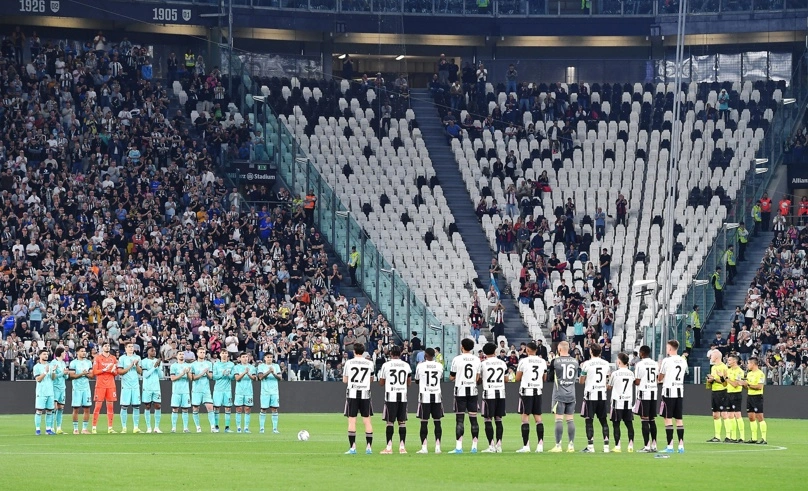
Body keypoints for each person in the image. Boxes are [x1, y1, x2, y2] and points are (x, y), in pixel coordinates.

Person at [449, 338, 481, 453]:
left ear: (462, 346)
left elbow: (452, 377)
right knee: (474, 419)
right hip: (473, 391)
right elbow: (478, 378)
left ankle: (458, 447)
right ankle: (474, 447)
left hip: (460, 391)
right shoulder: (477, 360)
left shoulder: (456, 359)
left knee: (460, 420)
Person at [378, 345, 412, 454]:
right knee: (402, 422)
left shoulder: (386, 365)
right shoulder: (406, 365)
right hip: (402, 395)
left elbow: (381, 383)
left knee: (390, 422)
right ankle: (402, 447)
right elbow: (409, 383)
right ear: (401, 353)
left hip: (390, 396)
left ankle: (389, 448)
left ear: (391, 354)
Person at [515, 341, 547, 453]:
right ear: (536, 350)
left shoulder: (523, 361)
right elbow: (544, 378)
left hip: (526, 392)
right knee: (538, 418)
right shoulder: (542, 361)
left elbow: (517, 378)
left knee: (525, 418)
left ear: (527, 350)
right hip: (537, 391)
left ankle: (526, 446)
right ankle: (540, 445)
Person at [343, 343, 375, 454]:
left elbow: (345, 380)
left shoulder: (349, 363)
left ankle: (353, 448)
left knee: (352, 420)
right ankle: (369, 447)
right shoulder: (369, 363)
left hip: (352, 393)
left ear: (354, 351)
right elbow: (371, 379)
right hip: (365, 393)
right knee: (367, 420)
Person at [579, 342, 611, 453]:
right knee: (603, 421)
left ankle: (590, 446)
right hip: (602, 394)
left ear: (591, 351)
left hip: (590, 395)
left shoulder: (587, 364)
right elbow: (608, 378)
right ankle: (606, 446)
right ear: (600, 352)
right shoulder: (606, 364)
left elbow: (581, 381)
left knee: (589, 420)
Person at [547, 341, 579, 453]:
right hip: (571, 393)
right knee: (570, 419)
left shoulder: (555, 361)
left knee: (559, 419)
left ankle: (558, 445)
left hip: (559, 393)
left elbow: (549, 378)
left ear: (559, 349)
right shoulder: (575, 361)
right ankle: (571, 445)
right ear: (568, 349)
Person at [658, 340, 687, 453]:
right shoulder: (683, 361)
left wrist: (659, 367)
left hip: (669, 392)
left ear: (670, 349)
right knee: (679, 419)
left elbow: (660, 378)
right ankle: (681, 446)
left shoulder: (667, 360)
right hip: (679, 391)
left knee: (668, 418)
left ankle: (670, 446)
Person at [414, 347, 444, 454]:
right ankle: (437, 447)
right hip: (436, 395)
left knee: (424, 422)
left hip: (425, 396)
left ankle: (424, 447)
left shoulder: (420, 366)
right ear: (434, 355)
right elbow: (440, 378)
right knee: (437, 422)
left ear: (425, 355)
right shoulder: (439, 366)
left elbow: (417, 380)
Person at [479, 342, 508, 453]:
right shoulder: (502, 363)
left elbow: (479, 379)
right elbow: (506, 379)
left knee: (487, 419)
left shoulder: (483, 364)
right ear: (495, 351)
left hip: (488, 393)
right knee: (498, 419)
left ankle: (491, 445)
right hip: (500, 393)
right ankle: (499, 445)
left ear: (485, 352)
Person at [633, 345, 659, 452]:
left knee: (644, 419)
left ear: (642, 353)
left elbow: (637, 381)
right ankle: (654, 445)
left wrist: (632, 380)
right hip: (653, 392)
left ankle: (646, 446)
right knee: (652, 420)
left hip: (644, 393)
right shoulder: (655, 363)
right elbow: (657, 378)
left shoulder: (640, 364)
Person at [608, 352, 635, 452]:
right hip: (627, 401)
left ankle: (618, 446)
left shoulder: (615, 373)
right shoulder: (631, 373)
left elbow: (609, 387)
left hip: (617, 401)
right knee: (629, 424)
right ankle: (630, 445)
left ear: (619, 361)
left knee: (616, 424)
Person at [92, 342, 118, 434]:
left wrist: (113, 371)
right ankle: (94, 427)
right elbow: (94, 371)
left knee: (110, 407)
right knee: (98, 406)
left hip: (111, 384)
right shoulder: (98, 358)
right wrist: (104, 369)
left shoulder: (113, 358)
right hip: (100, 385)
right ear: (102, 347)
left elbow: (116, 372)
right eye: (105, 346)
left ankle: (110, 428)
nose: (107, 347)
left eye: (108, 346)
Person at [118, 342, 142, 433]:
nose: (131, 348)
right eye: (129, 347)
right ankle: (124, 427)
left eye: (132, 346)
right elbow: (120, 372)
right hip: (126, 386)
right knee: (124, 406)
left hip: (135, 385)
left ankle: (136, 427)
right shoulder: (122, 358)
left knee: (136, 406)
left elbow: (140, 372)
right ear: (125, 349)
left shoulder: (138, 358)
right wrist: (131, 365)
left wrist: (136, 365)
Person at [705, 349, 729, 443]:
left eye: (712, 355)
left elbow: (725, 383)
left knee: (724, 414)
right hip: (714, 391)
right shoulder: (713, 367)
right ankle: (717, 436)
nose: (710, 357)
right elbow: (714, 379)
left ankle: (728, 436)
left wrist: (714, 378)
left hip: (722, 392)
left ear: (717, 357)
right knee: (715, 415)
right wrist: (710, 380)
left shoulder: (724, 367)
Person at [68, 346, 94, 434]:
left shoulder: (89, 363)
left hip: (86, 389)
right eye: (82, 351)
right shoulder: (73, 363)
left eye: (85, 351)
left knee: (87, 408)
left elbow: (91, 376)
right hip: (77, 389)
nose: (84, 352)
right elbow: (72, 376)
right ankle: (75, 429)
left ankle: (84, 429)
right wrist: (82, 373)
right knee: (76, 409)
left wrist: (86, 374)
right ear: (77, 353)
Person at [191, 347, 216, 433]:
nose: (202, 354)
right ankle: (198, 427)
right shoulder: (193, 364)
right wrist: (202, 373)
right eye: (201, 352)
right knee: (195, 408)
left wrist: (207, 373)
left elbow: (211, 377)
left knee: (210, 407)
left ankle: (212, 427)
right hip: (196, 389)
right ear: (197, 354)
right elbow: (193, 378)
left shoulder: (209, 364)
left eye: (203, 352)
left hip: (206, 389)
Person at [743, 357, 767, 444]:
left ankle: (764, 438)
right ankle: (754, 438)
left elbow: (759, 386)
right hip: (750, 396)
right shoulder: (749, 374)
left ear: (753, 364)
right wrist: (743, 384)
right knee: (751, 417)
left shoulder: (760, 374)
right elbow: (747, 387)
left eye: (748, 363)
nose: (747, 365)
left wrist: (748, 384)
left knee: (760, 417)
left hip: (757, 397)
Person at [257, 353, 282, 434]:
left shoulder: (276, 366)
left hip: (274, 391)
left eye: (271, 357)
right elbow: (260, 377)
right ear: (264, 358)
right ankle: (261, 428)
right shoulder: (261, 366)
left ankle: (275, 429)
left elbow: (280, 378)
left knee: (274, 409)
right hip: (265, 391)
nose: (269, 358)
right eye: (268, 357)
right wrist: (269, 371)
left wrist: (273, 373)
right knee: (263, 409)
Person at [141, 347, 163, 433]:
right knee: (147, 406)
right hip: (147, 387)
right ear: (148, 352)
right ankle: (149, 427)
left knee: (158, 406)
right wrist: (154, 367)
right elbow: (145, 375)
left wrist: (158, 367)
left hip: (156, 387)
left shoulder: (158, 361)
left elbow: (161, 376)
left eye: (155, 350)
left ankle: (156, 427)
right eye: (152, 350)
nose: (154, 352)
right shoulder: (144, 362)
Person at [233, 352, 257, 433]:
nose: (245, 358)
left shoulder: (252, 367)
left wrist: (248, 373)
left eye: (246, 357)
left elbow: (254, 378)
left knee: (247, 409)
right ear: (240, 358)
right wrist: (244, 372)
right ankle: (239, 427)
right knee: (239, 409)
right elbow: (237, 378)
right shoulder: (236, 367)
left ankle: (246, 427)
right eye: (243, 357)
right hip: (239, 391)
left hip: (248, 391)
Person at [170, 350, 192, 433]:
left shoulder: (188, 366)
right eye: (180, 354)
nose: (182, 355)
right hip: (176, 391)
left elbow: (191, 379)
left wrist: (188, 373)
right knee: (175, 409)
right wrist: (182, 374)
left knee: (185, 409)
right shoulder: (173, 366)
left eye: (183, 354)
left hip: (185, 391)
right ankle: (173, 428)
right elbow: (172, 378)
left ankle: (185, 428)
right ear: (177, 356)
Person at [34, 349, 55, 435]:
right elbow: (38, 379)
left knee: (50, 410)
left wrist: (53, 371)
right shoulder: (36, 367)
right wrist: (45, 372)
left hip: (50, 391)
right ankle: (38, 430)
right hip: (41, 392)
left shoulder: (50, 365)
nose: (46, 355)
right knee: (39, 411)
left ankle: (48, 430)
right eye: (44, 354)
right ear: (40, 356)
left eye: (47, 354)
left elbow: (53, 378)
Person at [213, 351, 236, 432]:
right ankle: (216, 426)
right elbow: (213, 377)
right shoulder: (216, 364)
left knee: (228, 408)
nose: (224, 354)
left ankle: (227, 427)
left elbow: (234, 378)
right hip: (218, 389)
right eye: (222, 353)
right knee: (216, 408)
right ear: (220, 354)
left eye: (225, 353)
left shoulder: (231, 364)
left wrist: (228, 375)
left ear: (227, 354)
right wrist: (222, 374)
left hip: (227, 390)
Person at [725, 354, 746, 443]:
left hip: (736, 394)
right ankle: (733, 437)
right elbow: (725, 384)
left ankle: (742, 437)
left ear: (734, 361)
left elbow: (735, 384)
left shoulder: (739, 371)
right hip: (729, 393)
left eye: (729, 360)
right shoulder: (728, 370)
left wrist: (726, 378)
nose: (728, 362)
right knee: (730, 416)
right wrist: (723, 378)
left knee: (738, 415)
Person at [50, 347, 69, 434]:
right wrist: (62, 373)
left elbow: (66, 377)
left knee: (61, 408)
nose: (65, 354)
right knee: (54, 408)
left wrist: (66, 374)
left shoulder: (63, 363)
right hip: (55, 387)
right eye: (64, 352)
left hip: (62, 387)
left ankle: (59, 428)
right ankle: (51, 428)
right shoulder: (53, 363)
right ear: (61, 353)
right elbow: (52, 377)